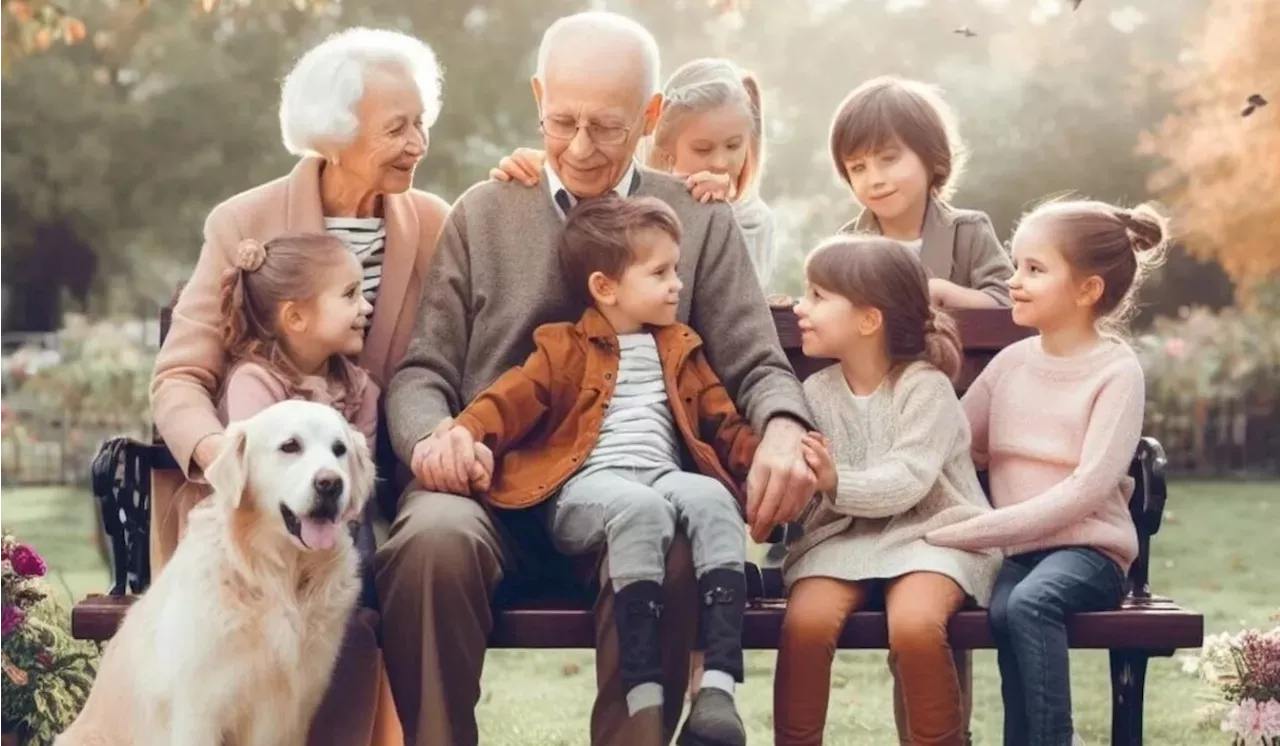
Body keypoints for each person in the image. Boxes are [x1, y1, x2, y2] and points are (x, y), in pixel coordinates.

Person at [375, 11, 815, 746]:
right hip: (492, 489)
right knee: (431, 539)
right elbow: (424, 369)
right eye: (562, 121)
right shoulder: (485, 212)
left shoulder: (699, 220)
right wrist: (432, 440)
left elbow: (757, 361)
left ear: (648, 117)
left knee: (674, 541)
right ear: (539, 97)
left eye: (607, 128)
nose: (580, 148)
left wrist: (783, 429)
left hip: (632, 495)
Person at [148, 26, 451, 746]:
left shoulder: (439, 224)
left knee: (374, 575)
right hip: (256, 508)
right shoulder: (243, 223)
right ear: (335, 132)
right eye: (397, 127)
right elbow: (179, 378)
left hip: (381, 489)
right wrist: (229, 454)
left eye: (422, 124)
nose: (418, 143)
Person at [453, 195, 756, 745]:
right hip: (588, 492)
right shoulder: (562, 348)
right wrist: (464, 433)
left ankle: (717, 685)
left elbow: (724, 422)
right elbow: (509, 399)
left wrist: (765, 459)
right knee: (639, 509)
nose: (677, 285)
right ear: (605, 287)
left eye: (677, 270)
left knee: (714, 501)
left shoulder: (682, 348)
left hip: (662, 479)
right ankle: (642, 682)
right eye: (660, 272)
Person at [926, 200, 1168, 746]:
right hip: (1019, 554)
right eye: (1016, 266)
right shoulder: (1012, 364)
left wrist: (969, 531)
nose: (1014, 282)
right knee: (1008, 607)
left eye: (1034, 270)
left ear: (1087, 290)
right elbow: (955, 446)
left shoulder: (1116, 372)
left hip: (1089, 552)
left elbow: (1086, 491)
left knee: (1031, 603)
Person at [773, 235, 1001, 746]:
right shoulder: (814, 392)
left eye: (816, 295)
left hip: (932, 537)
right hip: (841, 542)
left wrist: (837, 480)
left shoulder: (926, 388)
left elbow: (909, 479)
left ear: (868, 320)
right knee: (805, 625)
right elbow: (807, 491)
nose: (799, 307)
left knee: (917, 625)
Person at [489, 57, 777, 290]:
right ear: (666, 149)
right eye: (702, 149)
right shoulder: (628, 200)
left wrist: (716, 216)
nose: (720, 162)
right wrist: (544, 169)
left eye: (733, 145)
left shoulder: (753, 221)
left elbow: (729, 309)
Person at [831, 76, 1012, 309]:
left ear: (931, 157)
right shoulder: (844, 246)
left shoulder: (968, 232)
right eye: (858, 168)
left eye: (889, 159)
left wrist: (945, 293)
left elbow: (1010, 304)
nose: (874, 180)